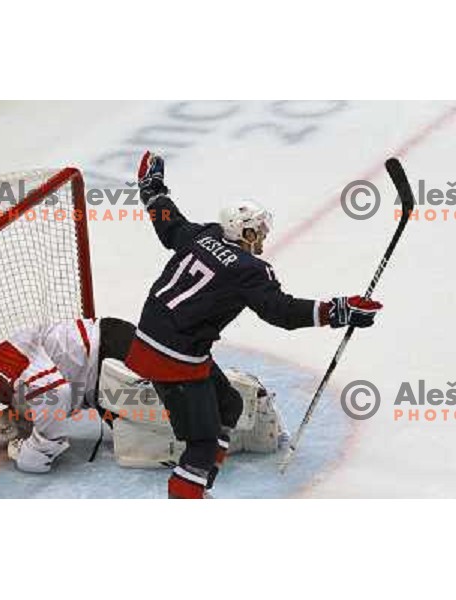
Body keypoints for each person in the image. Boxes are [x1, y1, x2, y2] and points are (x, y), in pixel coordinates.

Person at [125, 151, 383, 499]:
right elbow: (282, 312)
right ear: (243, 231)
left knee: (228, 403)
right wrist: (338, 310)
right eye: (257, 230)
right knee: (200, 445)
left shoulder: (203, 235)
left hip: (150, 340)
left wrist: (152, 189)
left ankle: (199, 489)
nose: (262, 236)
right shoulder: (248, 269)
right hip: (174, 357)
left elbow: (167, 222)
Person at [0, 317, 136, 473]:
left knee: (155, 446)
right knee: (141, 445)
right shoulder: (2, 375)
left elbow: (56, 394)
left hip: (110, 353)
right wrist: (11, 427)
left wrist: (36, 452)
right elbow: (42, 400)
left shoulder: (2, 360)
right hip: (103, 368)